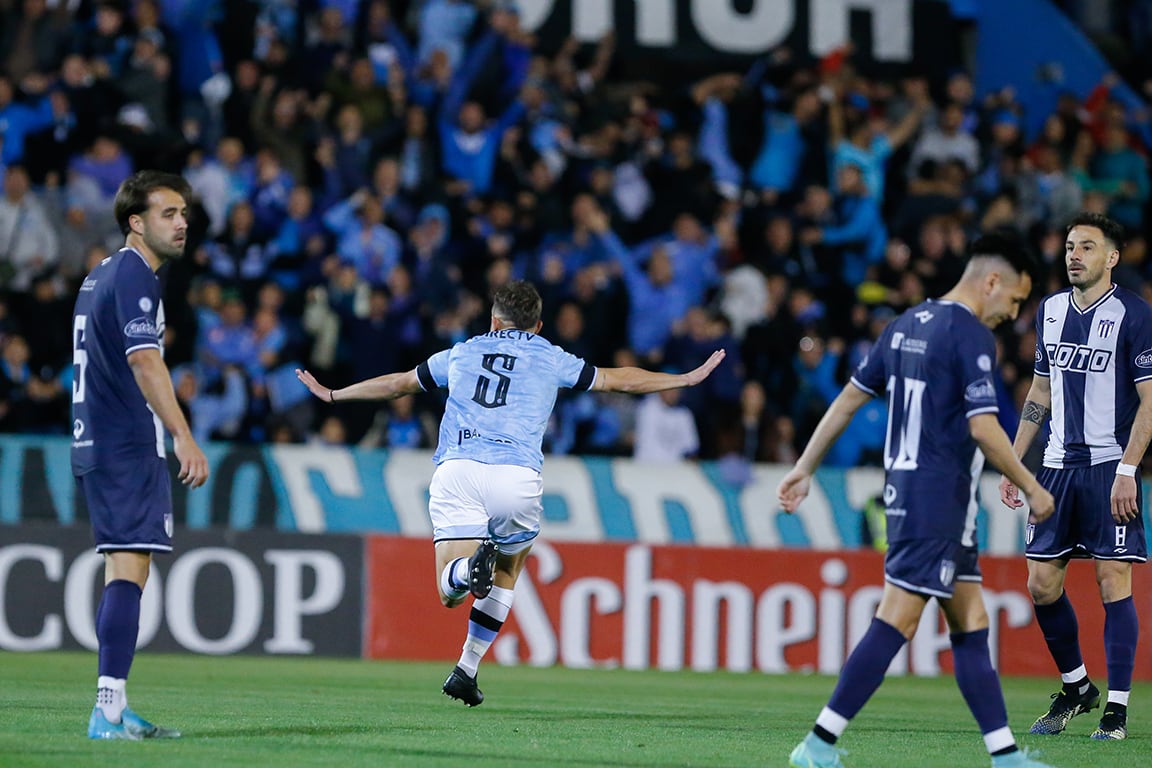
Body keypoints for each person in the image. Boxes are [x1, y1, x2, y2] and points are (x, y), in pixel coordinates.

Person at [296, 280, 724, 705]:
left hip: (459, 469)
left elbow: (397, 385)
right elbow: (618, 381)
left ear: (493, 320)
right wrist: (684, 378)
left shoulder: (461, 353)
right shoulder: (551, 356)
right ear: (537, 325)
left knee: (450, 592)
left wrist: (334, 394)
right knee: (507, 569)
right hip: (515, 478)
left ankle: (466, 574)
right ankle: (467, 668)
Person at [776, 234, 1058, 768]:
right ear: (991, 282)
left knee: (971, 620)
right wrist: (1031, 484)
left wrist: (804, 466)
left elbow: (848, 400)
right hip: (938, 498)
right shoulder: (971, 334)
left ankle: (1004, 755)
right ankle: (816, 745)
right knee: (898, 619)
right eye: (1016, 301)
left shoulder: (904, 324)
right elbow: (984, 426)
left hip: (923, 493)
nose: (1014, 314)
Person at [999, 212, 1152, 741]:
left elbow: (1151, 403)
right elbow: (1039, 393)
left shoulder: (1135, 315)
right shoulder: (1050, 311)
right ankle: (1077, 688)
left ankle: (1116, 709)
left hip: (1111, 467)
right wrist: (1017, 462)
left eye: (1087, 246)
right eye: (1069, 246)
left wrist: (1129, 470)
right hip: (1056, 469)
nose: (1073, 255)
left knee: (1113, 581)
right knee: (1040, 585)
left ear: (1112, 258)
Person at [71, 170, 210, 740]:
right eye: (167, 214)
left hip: (97, 437)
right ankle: (106, 711)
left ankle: (113, 705)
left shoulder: (101, 274)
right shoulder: (135, 277)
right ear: (136, 221)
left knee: (123, 568)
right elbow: (144, 362)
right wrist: (182, 433)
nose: (181, 224)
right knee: (130, 568)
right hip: (125, 441)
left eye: (183, 214)